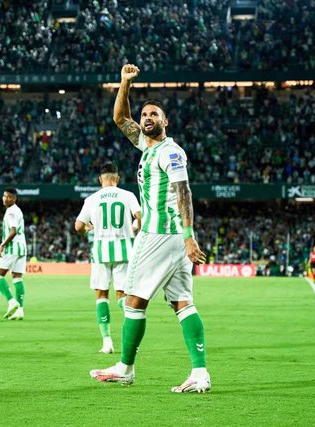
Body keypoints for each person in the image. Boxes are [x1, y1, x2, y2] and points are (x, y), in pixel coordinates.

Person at [90, 64, 209, 393]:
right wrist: (124, 84)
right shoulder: (149, 147)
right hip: (174, 240)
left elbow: (183, 192)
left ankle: (125, 368)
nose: (146, 118)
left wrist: (189, 236)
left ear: (165, 122)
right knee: (183, 303)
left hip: (159, 235)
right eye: (144, 114)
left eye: (154, 114)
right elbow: (119, 118)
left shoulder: (169, 152)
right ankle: (200, 373)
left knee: (133, 302)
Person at [75, 163, 141, 354]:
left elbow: (78, 226)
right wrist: (135, 228)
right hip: (125, 251)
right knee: (122, 296)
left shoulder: (92, 199)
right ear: (117, 178)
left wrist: (87, 230)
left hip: (101, 252)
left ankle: (107, 343)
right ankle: (134, 315)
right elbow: (140, 216)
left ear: (100, 179)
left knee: (101, 295)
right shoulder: (128, 195)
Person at [0, 188, 27, 320]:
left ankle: (12, 302)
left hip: (12, 248)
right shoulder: (16, 210)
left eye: (9, 197)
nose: (5, 198)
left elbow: (13, 231)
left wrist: (2, 246)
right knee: (17, 278)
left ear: (14, 198)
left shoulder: (11, 212)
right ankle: (20, 310)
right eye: (4, 195)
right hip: (22, 248)